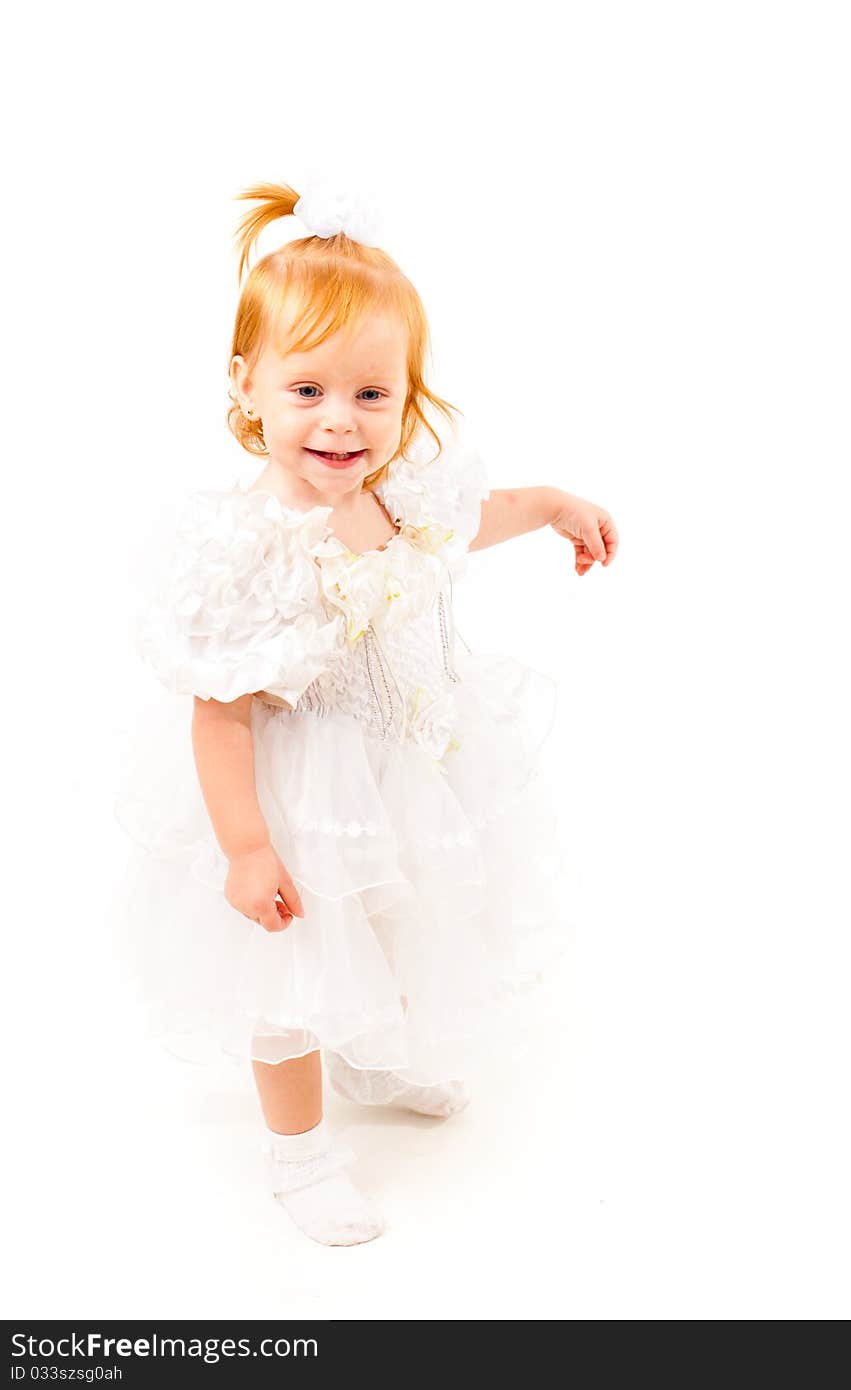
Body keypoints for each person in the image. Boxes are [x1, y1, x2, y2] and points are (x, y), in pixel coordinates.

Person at [113, 178, 619, 1247]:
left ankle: (374, 1053)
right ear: (246, 388)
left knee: (396, 924)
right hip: (296, 802)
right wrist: (246, 848)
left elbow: (473, 519)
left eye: (370, 394)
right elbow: (220, 714)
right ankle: (298, 1157)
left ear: (406, 395)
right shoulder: (246, 550)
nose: (340, 420)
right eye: (306, 390)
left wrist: (554, 508)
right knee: (293, 972)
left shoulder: (402, 496)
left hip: (409, 768)